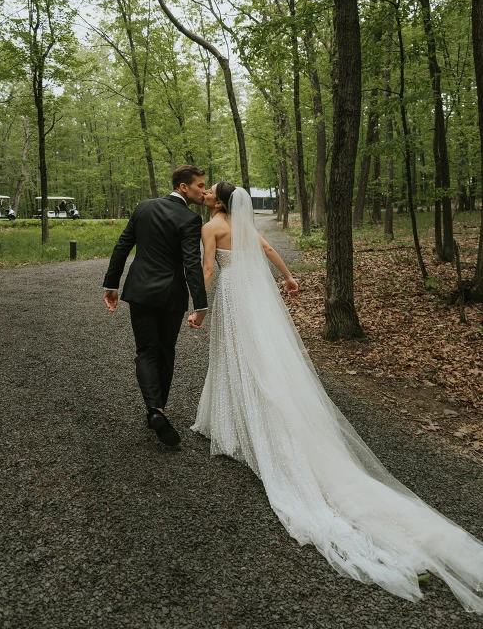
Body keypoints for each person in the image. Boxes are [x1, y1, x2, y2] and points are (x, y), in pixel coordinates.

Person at [189, 182, 483, 613]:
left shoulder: (211, 227)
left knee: (238, 356)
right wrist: (288, 279)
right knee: (263, 359)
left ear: (219, 201)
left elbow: (210, 270)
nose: (208, 193)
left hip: (234, 299)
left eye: (211, 190)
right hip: (256, 299)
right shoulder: (247, 226)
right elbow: (270, 253)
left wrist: (199, 307)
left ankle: (238, 422)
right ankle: (235, 419)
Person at [103, 165, 208, 447]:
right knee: (165, 352)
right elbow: (191, 264)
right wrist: (201, 304)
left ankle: (155, 409)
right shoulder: (189, 219)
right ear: (183, 187)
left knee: (146, 351)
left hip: (138, 291)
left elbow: (122, 246)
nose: (204, 190)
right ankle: (157, 408)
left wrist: (111, 285)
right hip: (171, 295)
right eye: (199, 185)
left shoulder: (143, 208)